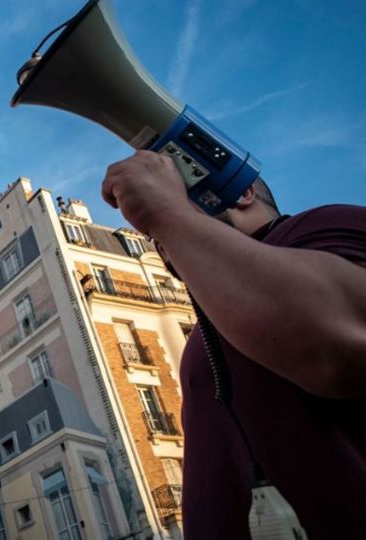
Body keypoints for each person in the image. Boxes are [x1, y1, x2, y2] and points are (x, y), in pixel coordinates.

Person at [101, 150, 366, 538]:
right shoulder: (202, 334)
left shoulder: (322, 227)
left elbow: (340, 347)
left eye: (176, 192)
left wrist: (167, 212)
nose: (156, 242)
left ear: (239, 194)